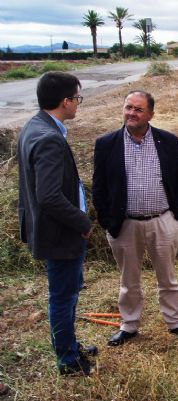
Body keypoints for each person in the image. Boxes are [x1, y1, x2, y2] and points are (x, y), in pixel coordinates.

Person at [92, 90, 178, 346]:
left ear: (150, 114)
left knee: (168, 277)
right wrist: (108, 220)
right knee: (129, 280)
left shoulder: (168, 141)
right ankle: (129, 325)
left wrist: (176, 217)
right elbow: (99, 187)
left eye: (138, 109)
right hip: (125, 224)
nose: (131, 113)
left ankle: (175, 322)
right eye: (128, 107)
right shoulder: (106, 144)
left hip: (162, 221)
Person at [17, 71, 97, 376]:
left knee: (68, 291)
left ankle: (71, 345)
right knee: (64, 296)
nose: (78, 104)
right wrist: (82, 221)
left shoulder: (33, 126)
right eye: (77, 98)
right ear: (65, 101)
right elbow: (49, 196)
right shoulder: (49, 138)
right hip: (61, 233)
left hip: (49, 230)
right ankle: (68, 359)